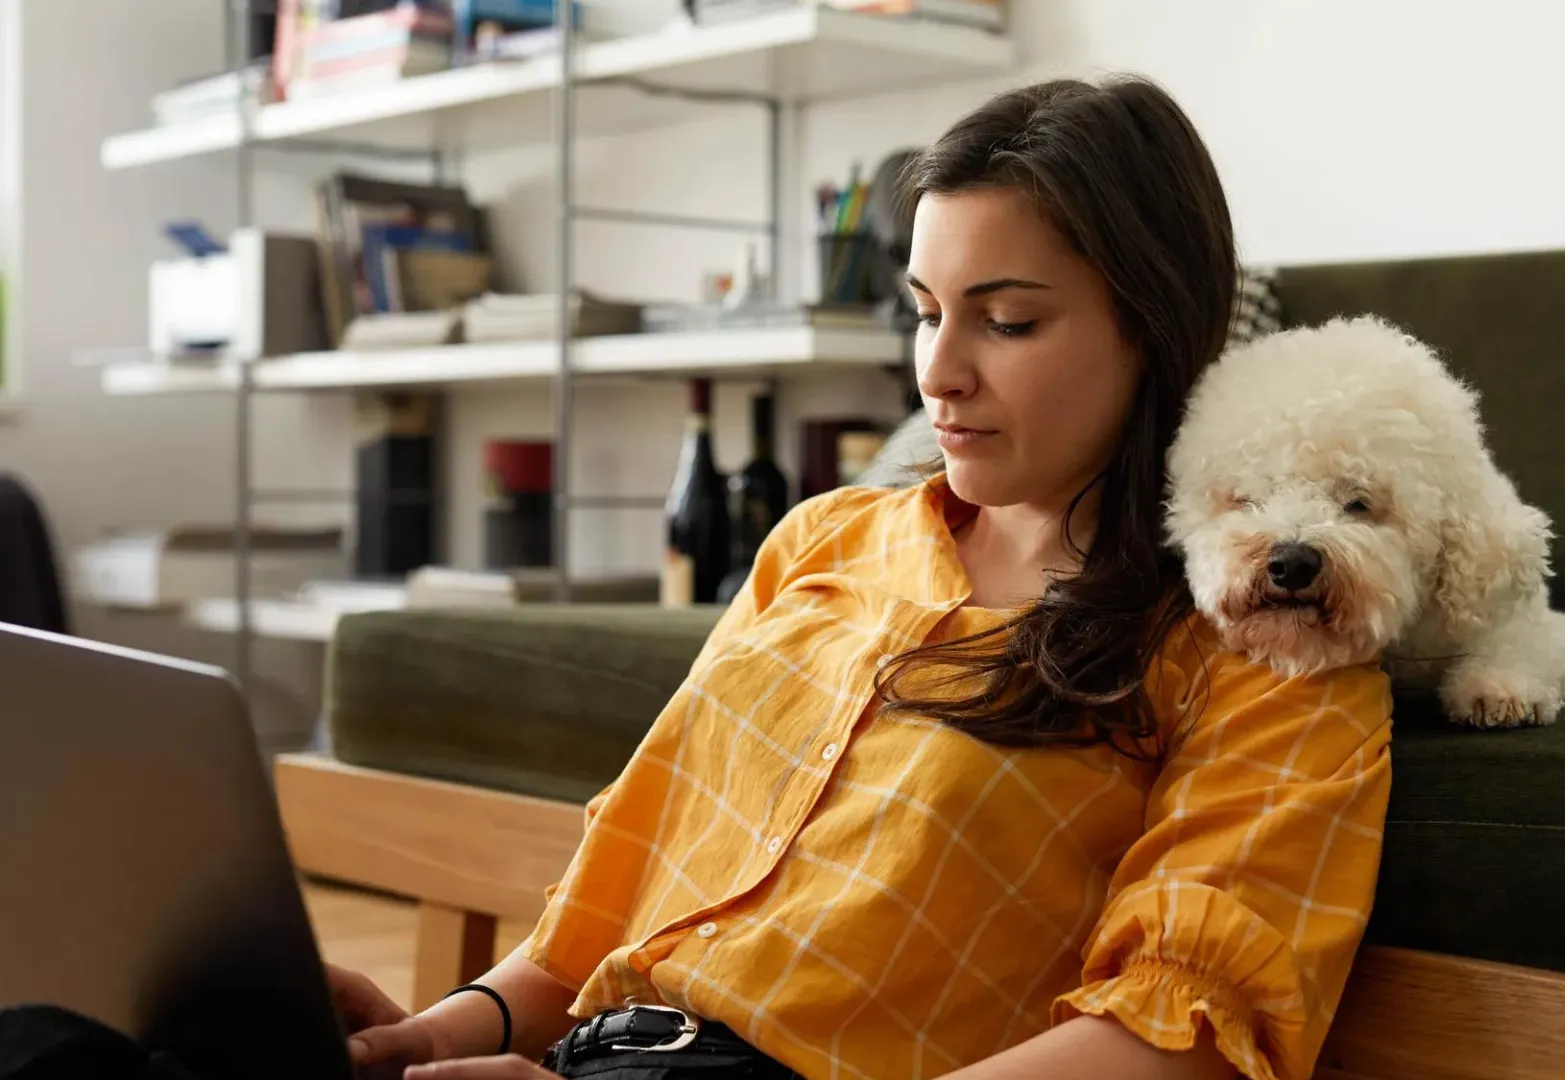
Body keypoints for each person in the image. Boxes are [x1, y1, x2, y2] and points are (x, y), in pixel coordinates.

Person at [331, 75, 1393, 1080]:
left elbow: (1187, 1032)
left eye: (1008, 320)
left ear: (1152, 328)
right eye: (926, 311)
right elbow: (630, 872)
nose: (937, 370)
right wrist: (433, 1035)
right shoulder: (824, 539)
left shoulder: (1257, 641)